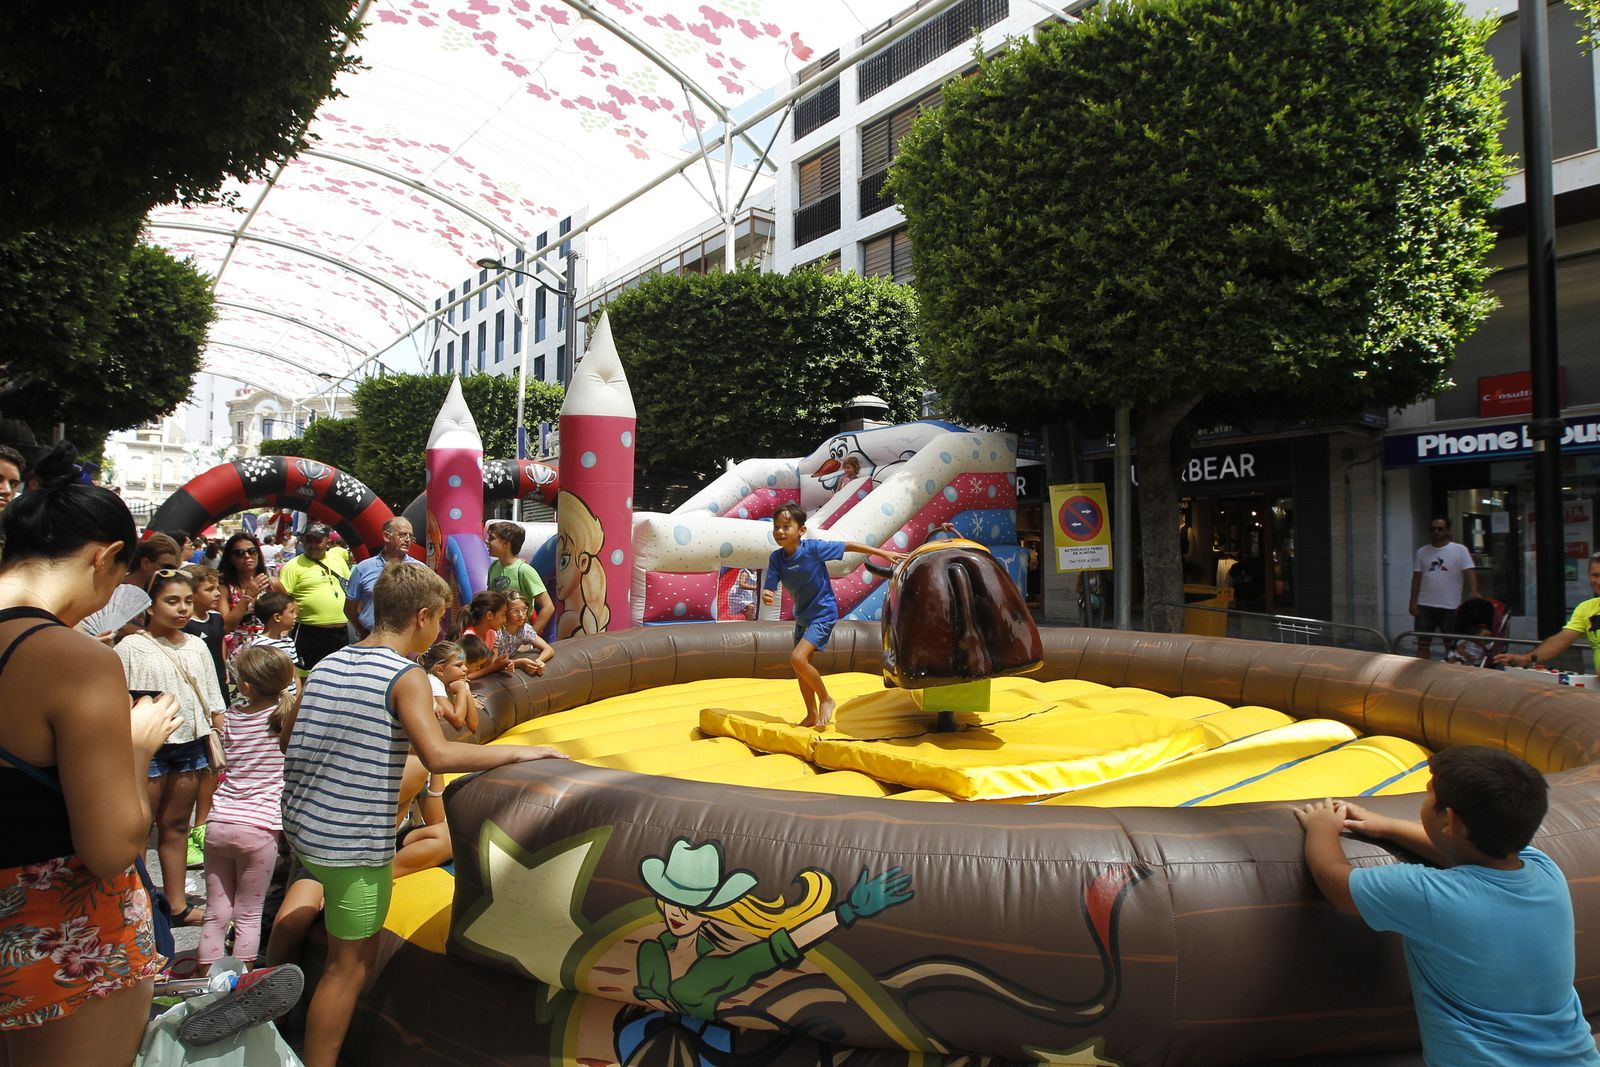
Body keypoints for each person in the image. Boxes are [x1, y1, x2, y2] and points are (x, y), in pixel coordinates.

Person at [278, 563, 568, 1067]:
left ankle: (269, 993)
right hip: (353, 843)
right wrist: (521, 753)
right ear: (422, 616)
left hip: (306, 826)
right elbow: (440, 755)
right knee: (347, 969)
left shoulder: (330, 662)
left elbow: (289, 738)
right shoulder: (404, 674)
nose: (441, 633)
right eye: (440, 621)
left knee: (309, 900)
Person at [0, 443, 183, 1063]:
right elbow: (110, 849)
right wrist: (136, 748)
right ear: (105, 558)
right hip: (58, 941)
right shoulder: (73, 659)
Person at [1295, 746, 1600, 1066]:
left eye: (1428, 796)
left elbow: (1335, 881)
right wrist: (1386, 826)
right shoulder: (1545, 870)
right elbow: (1462, 853)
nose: (1424, 802)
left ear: (1450, 820)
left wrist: (1322, 828)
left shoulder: (1430, 894)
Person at [116, 569, 227, 926]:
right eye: (172, 600)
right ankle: (133, 905)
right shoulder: (129, 646)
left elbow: (213, 699)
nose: (182, 609)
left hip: (190, 744)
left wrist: (221, 734)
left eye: (188, 601)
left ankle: (176, 905)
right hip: (144, 748)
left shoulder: (196, 645)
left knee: (176, 825)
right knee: (137, 827)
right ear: (150, 606)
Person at [760, 503, 904, 729]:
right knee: (802, 667)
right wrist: (766, 594)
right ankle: (811, 714)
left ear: (801, 531)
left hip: (823, 613)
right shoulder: (776, 559)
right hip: (803, 617)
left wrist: (883, 553)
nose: (779, 531)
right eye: (776, 527)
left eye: (786, 526)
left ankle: (826, 699)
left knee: (797, 658)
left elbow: (848, 546)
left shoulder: (813, 549)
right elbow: (770, 585)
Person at [198, 645, 296, 971]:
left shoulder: (230, 721)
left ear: (246, 686)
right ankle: (240, 986)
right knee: (250, 912)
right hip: (260, 828)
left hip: (220, 822)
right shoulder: (286, 720)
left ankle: (203, 983)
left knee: (216, 911)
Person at [1496, 552, 1600, 675]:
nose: (1598, 581)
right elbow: (1560, 641)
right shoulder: (1586, 608)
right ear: (1588, 575)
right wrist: (1525, 659)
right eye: (1595, 575)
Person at [277, 523, 350, 671]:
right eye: (309, 541)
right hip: (309, 633)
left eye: (317, 541)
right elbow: (281, 600)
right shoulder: (292, 566)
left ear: (327, 542)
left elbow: (349, 588)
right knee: (307, 675)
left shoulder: (338, 560)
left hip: (340, 633)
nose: (313, 545)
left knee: (338, 675)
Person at [1409, 517, 1478, 660]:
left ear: (1447, 530)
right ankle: (1421, 672)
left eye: (1440, 529)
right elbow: (1417, 578)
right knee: (1422, 643)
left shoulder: (1460, 550)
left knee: (1452, 645)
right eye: (1433, 529)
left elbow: (1470, 572)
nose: (1436, 532)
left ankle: (1450, 672)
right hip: (1425, 606)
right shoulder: (1422, 552)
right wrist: (1413, 602)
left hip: (1450, 606)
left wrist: (1474, 591)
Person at [344, 517, 422, 640]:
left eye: (410, 536)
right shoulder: (363, 568)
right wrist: (362, 630)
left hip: (407, 640)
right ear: (386, 536)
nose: (407, 540)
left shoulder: (420, 569)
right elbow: (349, 608)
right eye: (402, 535)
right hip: (371, 637)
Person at [486, 520, 554, 635]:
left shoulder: (524, 570)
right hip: (497, 636)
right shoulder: (493, 566)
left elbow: (548, 607)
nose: (487, 541)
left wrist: (528, 637)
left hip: (518, 636)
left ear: (505, 544)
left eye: (492, 538)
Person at [217, 532, 275, 659]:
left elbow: (292, 609)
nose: (247, 556)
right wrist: (247, 597)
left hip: (270, 649)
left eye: (252, 551)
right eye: (239, 553)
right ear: (231, 558)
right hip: (239, 652)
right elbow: (225, 627)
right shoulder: (224, 587)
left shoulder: (272, 583)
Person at [497, 590, 555, 671]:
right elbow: (492, 664)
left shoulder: (524, 629)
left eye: (524, 609)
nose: (521, 615)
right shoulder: (497, 631)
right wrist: (519, 662)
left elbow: (548, 649)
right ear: (505, 612)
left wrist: (538, 661)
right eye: (515, 611)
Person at [242, 590, 301, 669]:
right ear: (277, 617)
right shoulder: (259, 646)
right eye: (291, 612)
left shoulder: (289, 642)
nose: (295, 616)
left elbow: (294, 674)